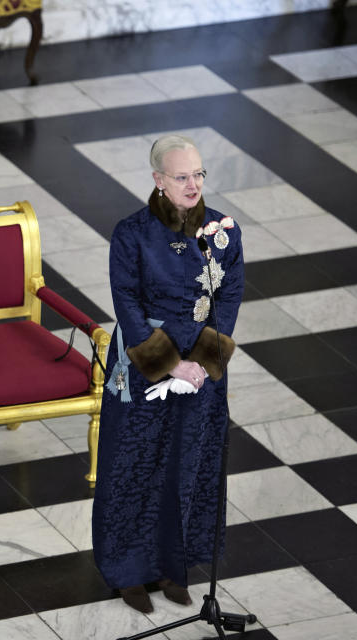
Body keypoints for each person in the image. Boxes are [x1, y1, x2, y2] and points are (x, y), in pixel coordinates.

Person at [91, 135, 244, 613]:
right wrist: (168, 365)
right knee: (133, 468)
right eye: (182, 176)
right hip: (144, 370)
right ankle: (126, 572)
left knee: (189, 466)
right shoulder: (131, 233)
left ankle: (172, 567)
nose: (193, 184)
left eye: (199, 174)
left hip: (200, 372)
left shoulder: (223, 231)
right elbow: (128, 304)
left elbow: (230, 295)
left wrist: (199, 364)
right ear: (159, 180)